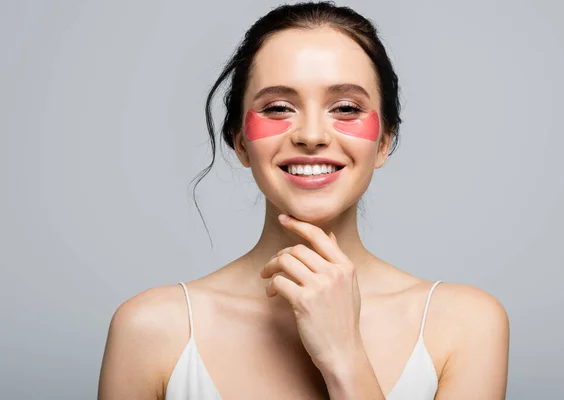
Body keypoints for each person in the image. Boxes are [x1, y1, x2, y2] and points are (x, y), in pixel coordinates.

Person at [98, 2, 509, 399]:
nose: (311, 135)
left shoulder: (464, 326)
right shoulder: (151, 330)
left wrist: (344, 355)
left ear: (384, 142)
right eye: (278, 107)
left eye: (345, 107)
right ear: (240, 143)